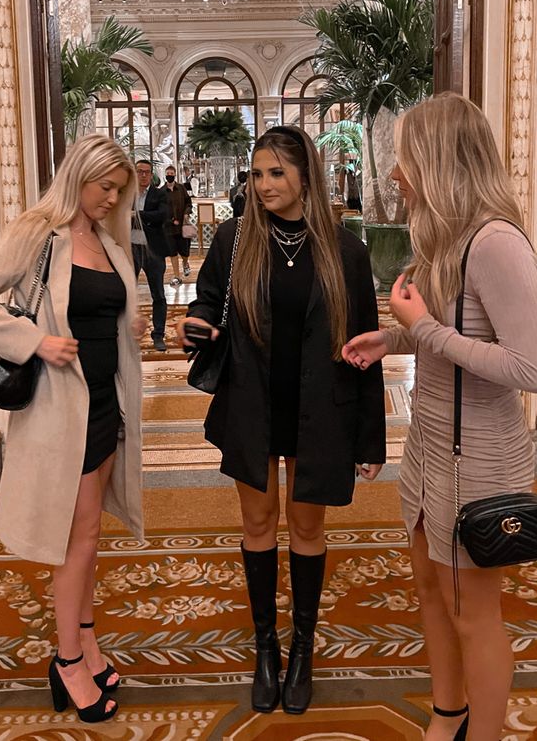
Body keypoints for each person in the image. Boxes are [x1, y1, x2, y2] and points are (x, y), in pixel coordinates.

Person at [342, 93, 537, 741]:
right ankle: (448, 714)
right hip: (431, 449)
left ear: (437, 160)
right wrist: (392, 338)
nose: (395, 173)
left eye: (403, 157)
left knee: (474, 614)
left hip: (482, 457)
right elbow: (447, 334)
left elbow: (530, 367)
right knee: (433, 593)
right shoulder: (446, 238)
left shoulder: (496, 243)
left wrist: (422, 328)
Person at [176, 125, 385, 716]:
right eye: (257, 173)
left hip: (321, 410)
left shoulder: (346, 250)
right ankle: (266, 645)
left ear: (304, 177)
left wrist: (370, 438)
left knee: (308, 527)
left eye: (275, 173)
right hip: (253, 405)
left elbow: (367, 350)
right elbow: (208, 299)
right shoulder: (234, 239)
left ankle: (303, 648)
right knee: (259, 521)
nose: (263, 184)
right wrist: (199, 323)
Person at [0, 134, 146, 724]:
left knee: (88, 535)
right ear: (77, 177)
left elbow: (109, 318)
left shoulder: (106, 239)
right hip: (64, 412)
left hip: (107, 404)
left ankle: (86, 641)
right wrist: (34, 340)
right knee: (75, 538)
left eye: (119, 189)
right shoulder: (38, 231)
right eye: (103, 186)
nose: (112, 198)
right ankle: (66, 661)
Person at [131, 158, 170, 351]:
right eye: (140, 171)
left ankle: (159, 334)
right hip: (130, 248)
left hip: (153, 250)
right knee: (127, 292)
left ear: (151, 173)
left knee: (158, 294)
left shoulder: (159, 194)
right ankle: (126, 333)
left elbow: (162, 215)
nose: (143, 175)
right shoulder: (127, 194)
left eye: (146, 172)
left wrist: (137, 215)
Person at [161, 164, 193, 286]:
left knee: (184, 251)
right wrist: (169, 220)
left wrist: (186, 213)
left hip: (182, 226)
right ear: (165, 175)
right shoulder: (162, 192)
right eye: (167, 174)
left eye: (171, 174)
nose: (169, 176)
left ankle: (185, 263)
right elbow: (161, 209)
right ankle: (176, 276)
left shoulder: (181, 188)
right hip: (168, 227)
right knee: (172, 252)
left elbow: (188, 202)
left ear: (175, 174)